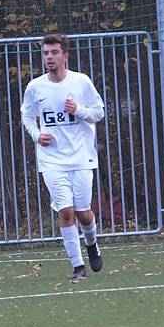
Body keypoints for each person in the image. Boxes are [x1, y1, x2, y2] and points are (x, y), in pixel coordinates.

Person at [20, 33, 105, 281]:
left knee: (83, 213)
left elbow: (98, 112)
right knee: (65, 212)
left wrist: (78, 110)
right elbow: (27, 115)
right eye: (46, 53)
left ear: (64, 55)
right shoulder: (35, 87)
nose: (49, 57)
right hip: (51, 160)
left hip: (80, 157)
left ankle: (91, 243)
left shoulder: (81, 82)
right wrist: (37, 135)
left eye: (54, 52)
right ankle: (78, 266)